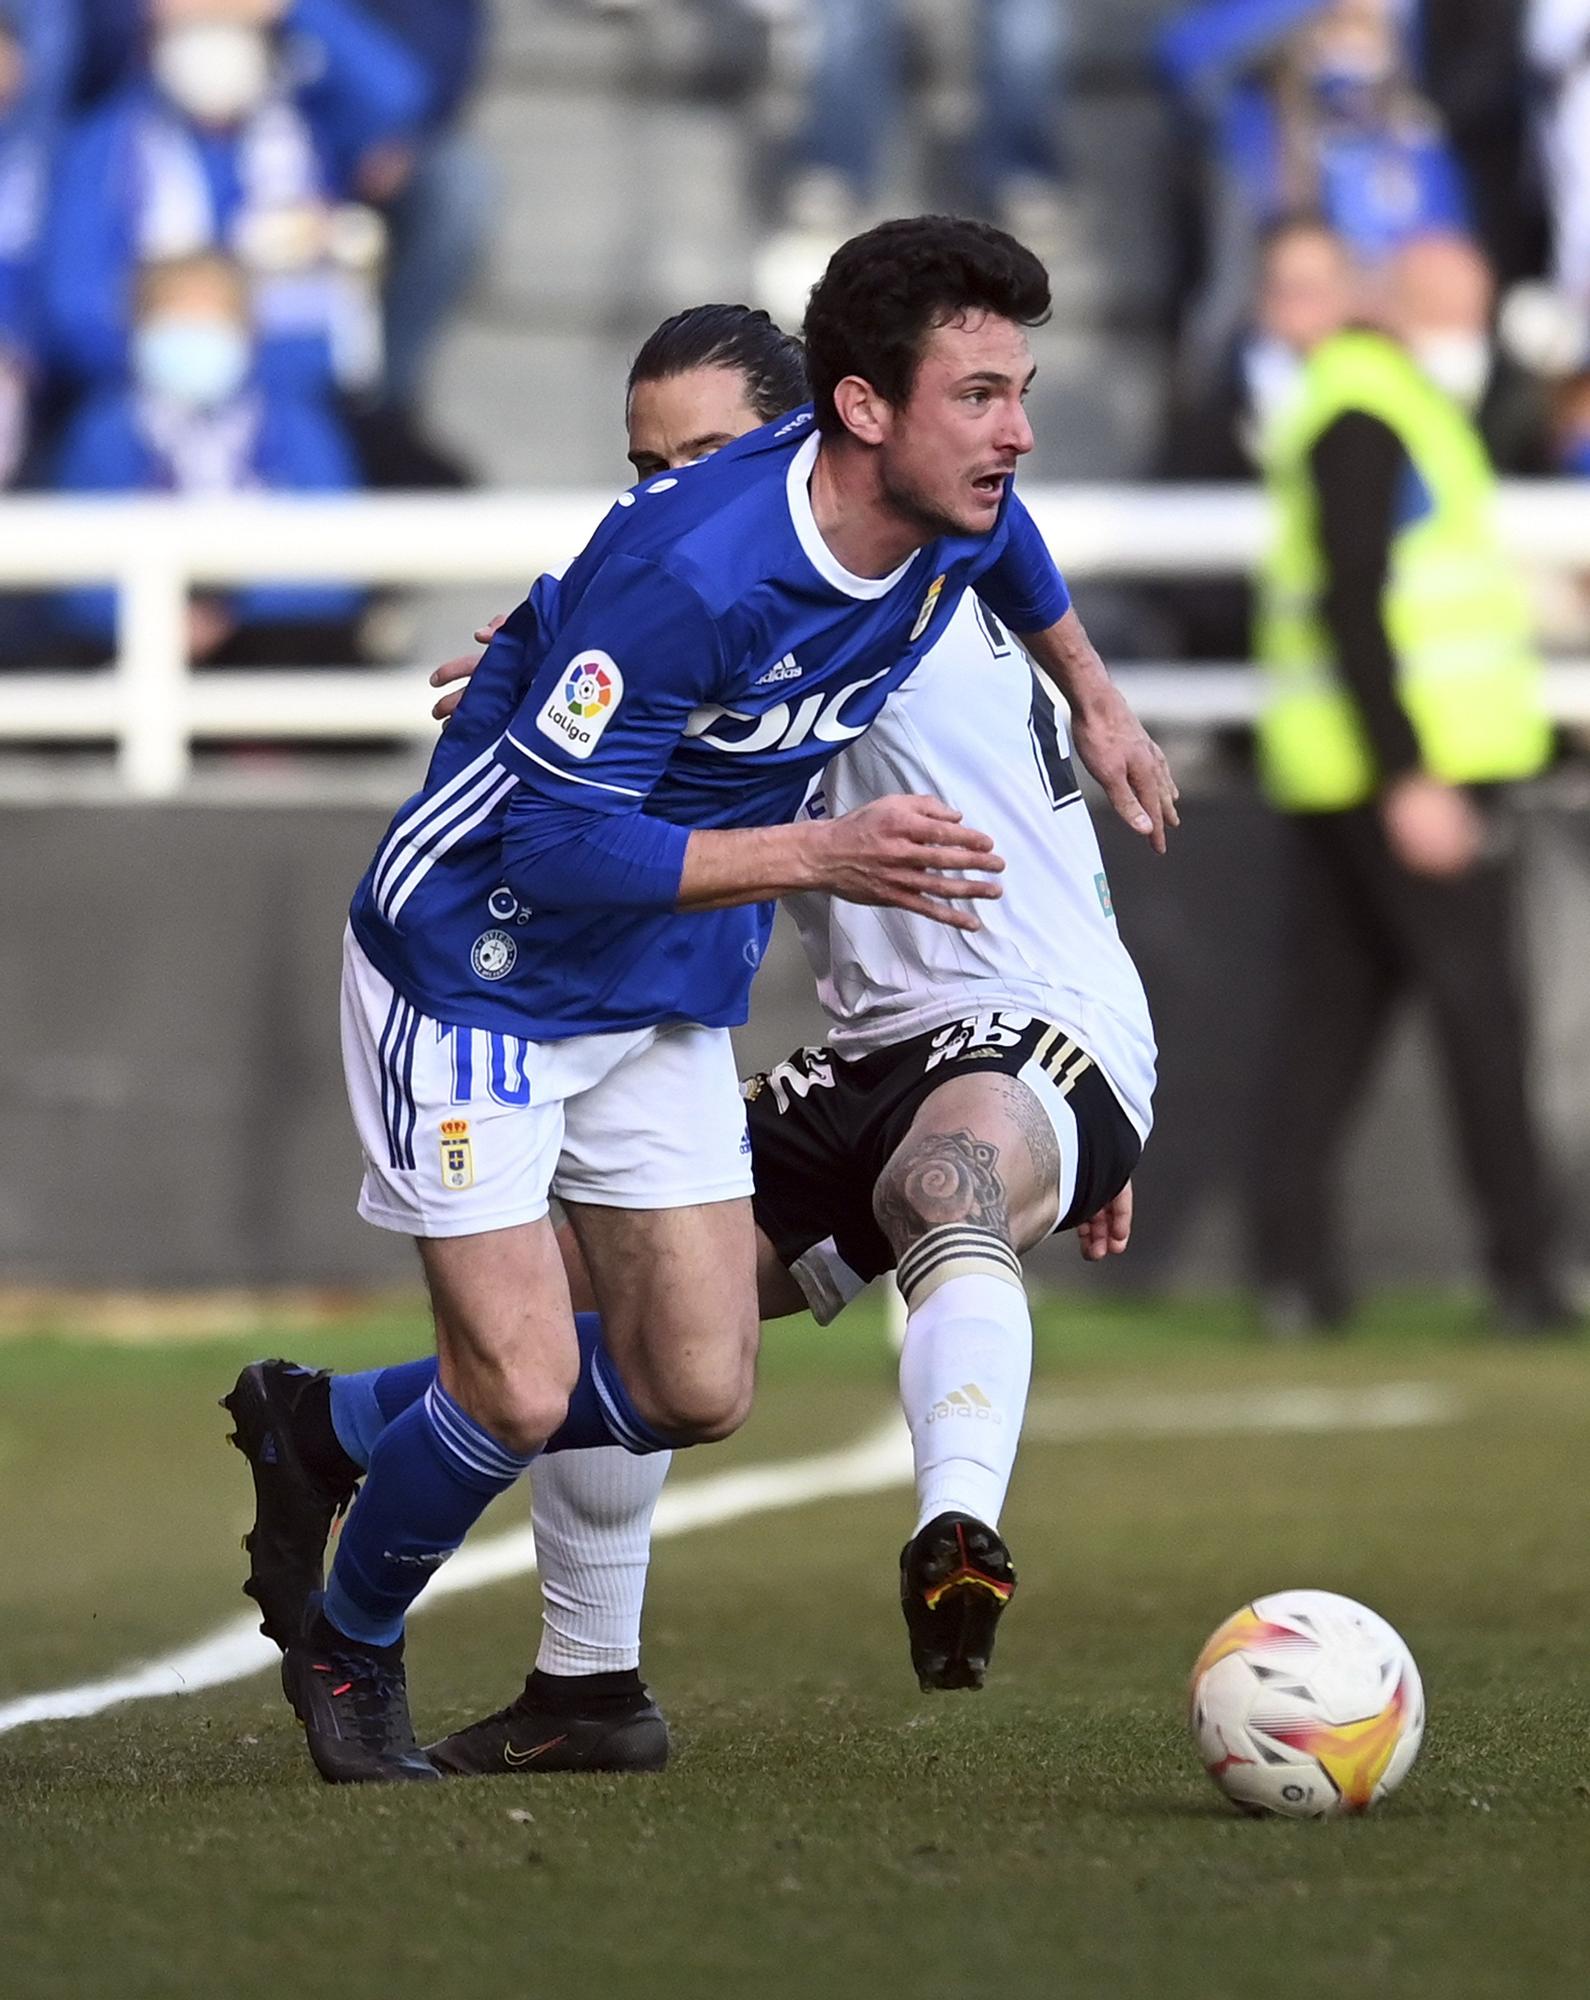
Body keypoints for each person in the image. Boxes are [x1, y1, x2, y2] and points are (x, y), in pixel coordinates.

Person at [254, 214, 1175, 1786]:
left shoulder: (940, 518)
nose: (1015, 431)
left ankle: (348, 1445)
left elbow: (1007, 550)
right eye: (979, 396)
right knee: (525, 1381)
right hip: (482, 967)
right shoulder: (690, 572)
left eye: (1017, 392)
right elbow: (545, 830)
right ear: (859, 409)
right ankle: (354, 1634)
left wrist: (1094, 692)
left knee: (692, 1382)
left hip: (665, 985)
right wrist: (808, 831)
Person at [1248, 228, 1575, 1341]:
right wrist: (1410, 776)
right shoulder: (1369, 409)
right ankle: (1522, 1271)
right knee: (1481, 1019)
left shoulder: (1353, 404)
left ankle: (1293, 1273)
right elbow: (1357, 605)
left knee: (1326, 1029)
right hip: (1409, 772)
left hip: (1350, 768)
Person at [40, 0, 427, 398]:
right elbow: (73, 313)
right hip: (138, 395)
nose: (214, 46)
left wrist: (290, 8)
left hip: (295, 402)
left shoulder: (305, 127)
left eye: (232, 27)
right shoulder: (106, 146)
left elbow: (397, 97)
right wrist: (189, 352)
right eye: (195, 28)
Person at [48, 250, 367, 665]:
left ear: (248, 331)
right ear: (136, 330)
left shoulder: (298, 429)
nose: (193, 337)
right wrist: (158, 619)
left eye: (211, 322)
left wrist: (232, 612)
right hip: (127, 653)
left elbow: (339, 570)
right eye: (174, 322)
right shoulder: (104, 435)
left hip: (271, 653)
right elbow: (71, 580)